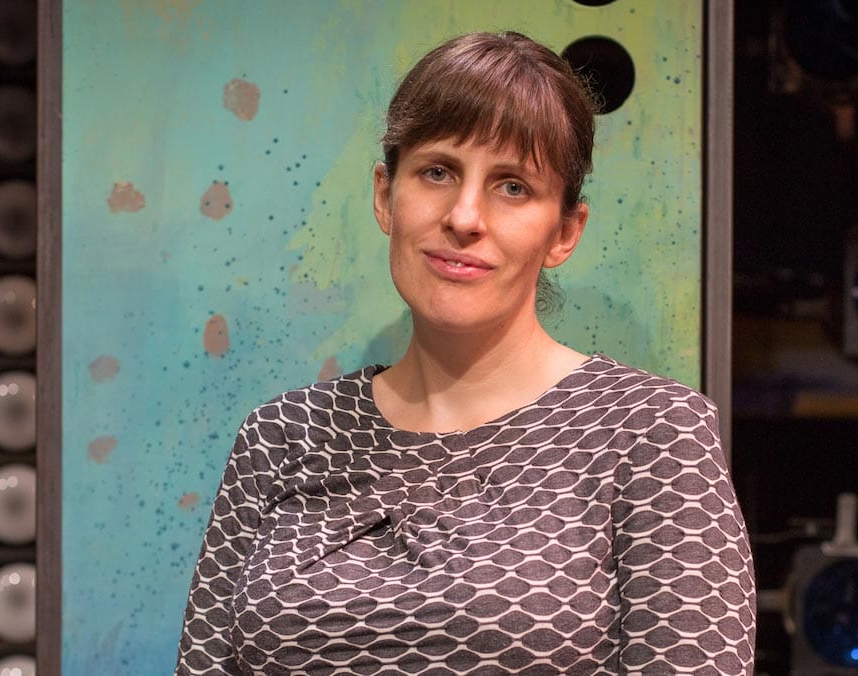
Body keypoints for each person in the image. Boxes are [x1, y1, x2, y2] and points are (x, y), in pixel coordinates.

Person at [175, 31, 755, 675]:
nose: (465, 216)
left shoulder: (651, 432)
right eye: (438, 172)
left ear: (565, 232)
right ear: (384, 194)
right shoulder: (280, 437)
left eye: (513, 186)